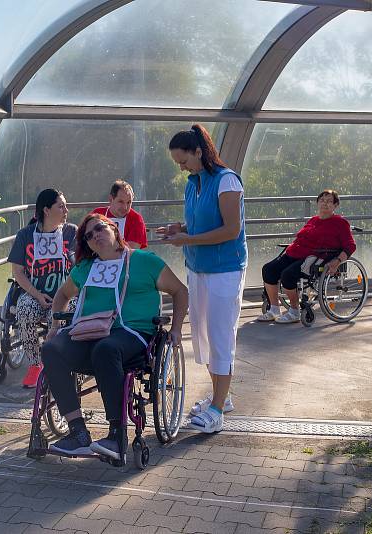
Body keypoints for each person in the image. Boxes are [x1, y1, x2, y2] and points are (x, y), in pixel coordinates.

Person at [42, 213, 187, 460]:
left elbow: (180, 291)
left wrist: (175, 329)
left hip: (131, 335)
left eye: (99, 228)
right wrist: (55, 326)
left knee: (106, 348)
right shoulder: (85, 268)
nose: (95, 236)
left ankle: (116, 436)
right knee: (51, 348)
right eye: (88, 235)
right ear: (87, 245)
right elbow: (62, 295)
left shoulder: (144, 261)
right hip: (90, 333)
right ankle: (78, 432)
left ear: (113, 229)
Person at [157, 124, 247, 434]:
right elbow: (200, 222)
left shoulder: (227, 181)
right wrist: (178, 229)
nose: (181, 168)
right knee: (206, 338)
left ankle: (218, 409)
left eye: (184, 161)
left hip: (225, 271)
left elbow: (230, 230)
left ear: (199, 152)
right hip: (197, 269)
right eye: (177, 163)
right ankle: (222, 396)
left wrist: (187, 240)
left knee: (221, 337)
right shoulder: (194, 182)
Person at [7, 189, 77, 388]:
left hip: (64, 294)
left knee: (59, 317)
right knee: (25, 310)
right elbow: (18, 272)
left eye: (65, 206)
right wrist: (37, 295)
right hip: (36, 292)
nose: (66, 210)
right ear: (46, 210)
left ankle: (57, 365)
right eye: (61, 206)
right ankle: (36, 364)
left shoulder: (71, 232)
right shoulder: (25, 235)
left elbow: (81, 265)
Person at [258, 190, 356, 323]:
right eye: (322, 200)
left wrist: (338, 261)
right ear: (317, 203)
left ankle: (294, 311)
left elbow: (350, 245)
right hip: (295, 253)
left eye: (329, 201)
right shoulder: (313, 220)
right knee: (268, 269)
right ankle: (274, 309)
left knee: (288, 275)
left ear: (335, 205)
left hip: (316, 257)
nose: (325, 204)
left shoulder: (340, 223)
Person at [91, 180, 148, 249]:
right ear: (111, 199)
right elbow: (87, 241)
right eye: (121, 202)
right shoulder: (97, 214)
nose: (125, 207)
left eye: (129, 202)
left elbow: (131, 252)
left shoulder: (136, 219)